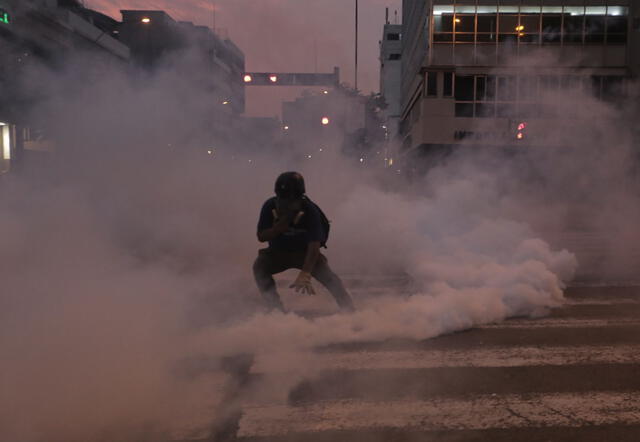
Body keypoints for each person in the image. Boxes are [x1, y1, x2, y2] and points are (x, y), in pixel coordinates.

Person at [253, 172, 355, 313]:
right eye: (283, 199)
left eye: (292, 200)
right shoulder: (269, 206)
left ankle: (350, 310)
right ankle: (275, 310)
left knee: (332, 280)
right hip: (278, 253)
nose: (287, 204)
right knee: (260, 267)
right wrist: (277, 229)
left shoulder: (310, 210)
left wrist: (306, 273)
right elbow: (261, 236)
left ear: (300, 198)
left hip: (305, 254)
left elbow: (314, 247)